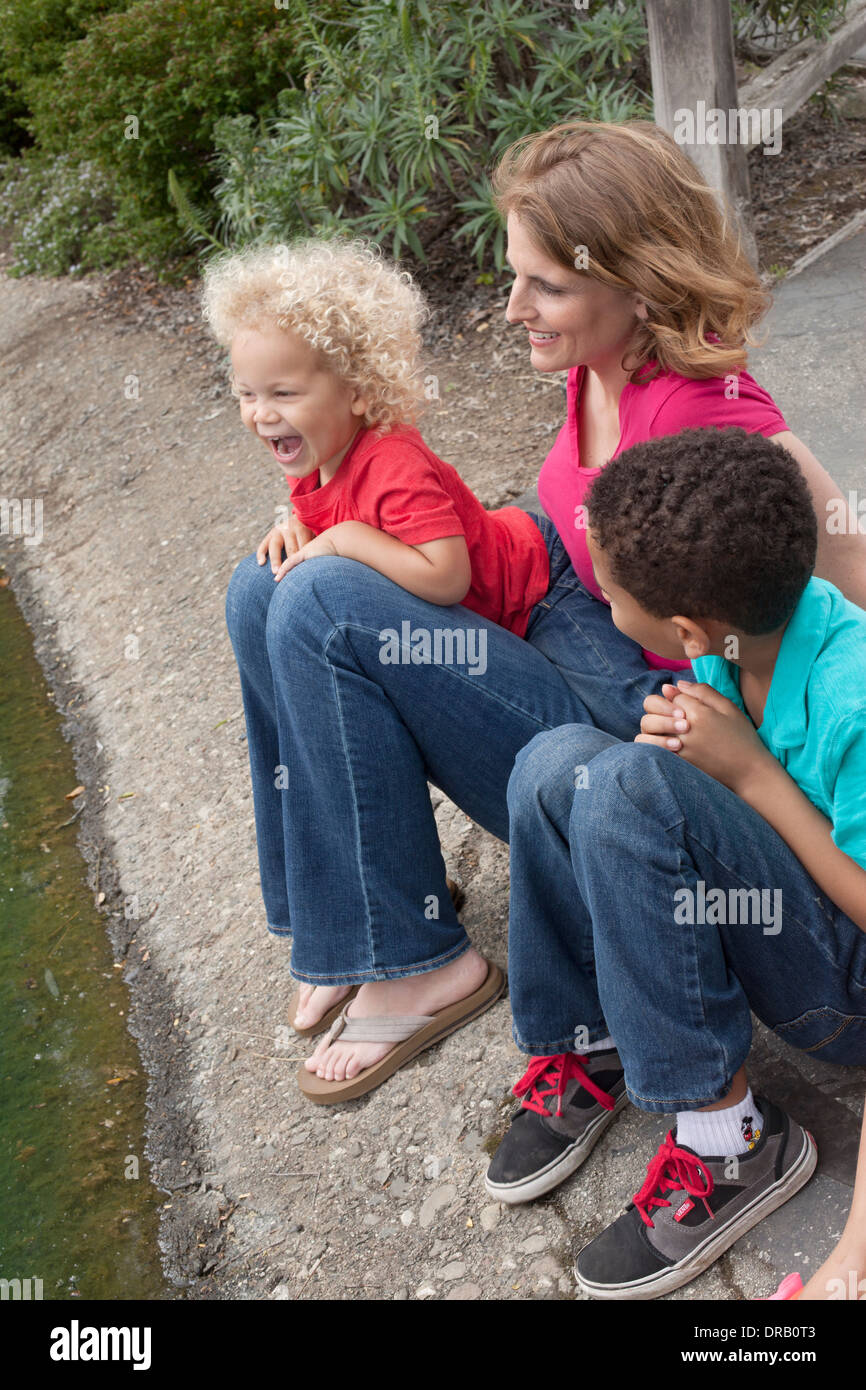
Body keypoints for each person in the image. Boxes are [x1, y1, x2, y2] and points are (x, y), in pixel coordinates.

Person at [218, 119, 866, 1105]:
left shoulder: (709, 416)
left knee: (320, 598)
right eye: (513, 273)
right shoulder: (593, 367)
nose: (510, 305)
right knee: (263, 585)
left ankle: (418, 961)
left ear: (635, 284)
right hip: (560, 642)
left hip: (642, 723)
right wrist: (331, 508)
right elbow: (551, 524)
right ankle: (344, 913)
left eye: (545, 285)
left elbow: (832, 542)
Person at [486, 426, 866, 1300]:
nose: (602, 603)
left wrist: (750, 776)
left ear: (689, 626)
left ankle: (736, 1142)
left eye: (609, 595)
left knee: (625, 786)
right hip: (779, 915)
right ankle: (598, 1036)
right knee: (558, 762)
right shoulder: (734, 643)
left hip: (842, 993)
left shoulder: (849, 697)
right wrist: (701, 767)